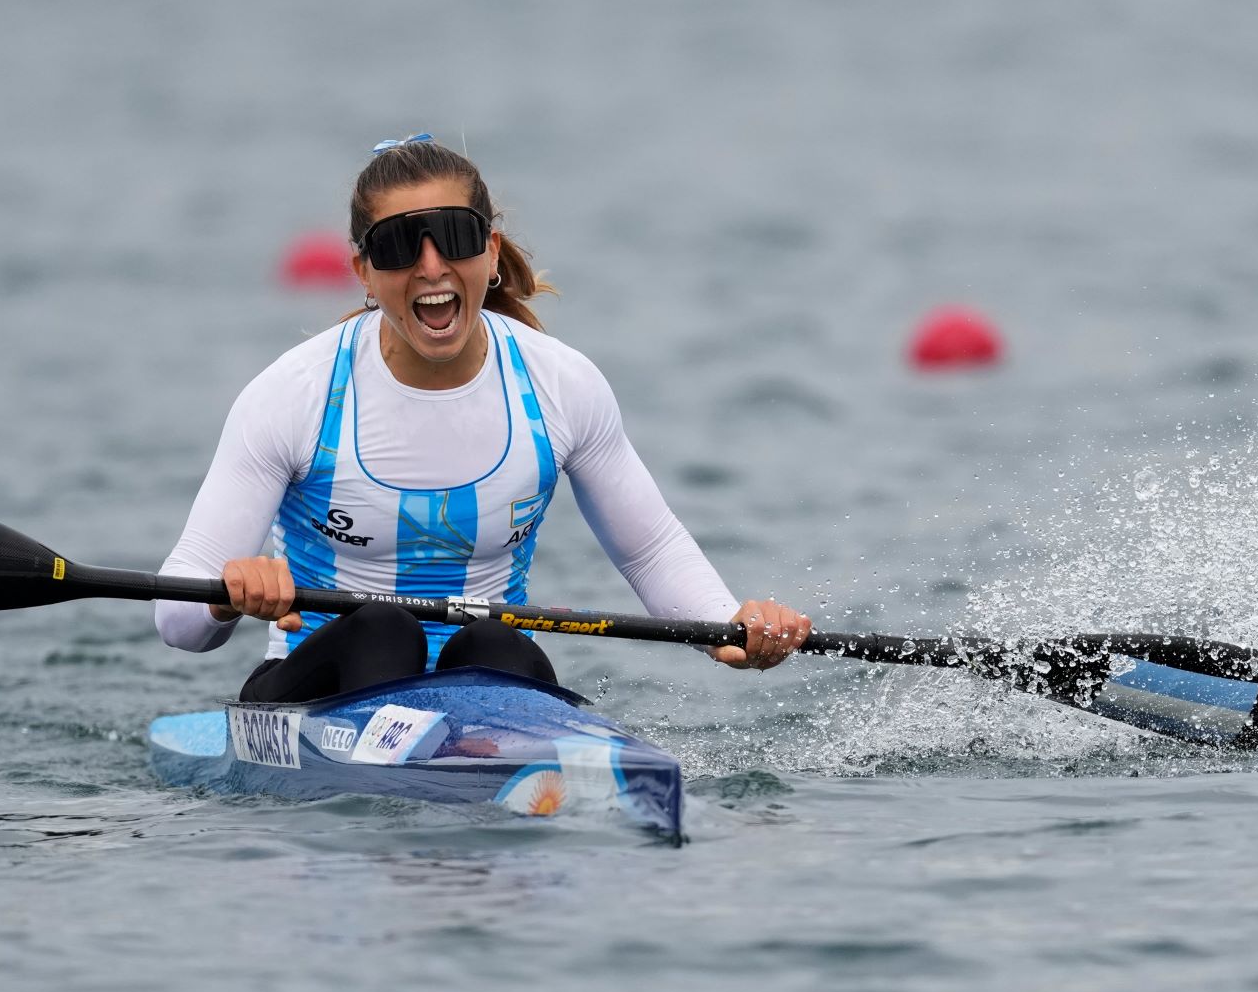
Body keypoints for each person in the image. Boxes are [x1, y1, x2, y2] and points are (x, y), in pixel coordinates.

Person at [156, 134, 811, 703]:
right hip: (317, 694)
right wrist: (222, 593)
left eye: (457, 238)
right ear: (363, 269)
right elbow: (176, 622)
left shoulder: (559, 384)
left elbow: (650, 551)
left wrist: (730, 629)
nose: (432, 266)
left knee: (500, 646)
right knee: (386, 629)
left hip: (478, 687)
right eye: (400, 246)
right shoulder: (292, 395)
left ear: (492, 251)